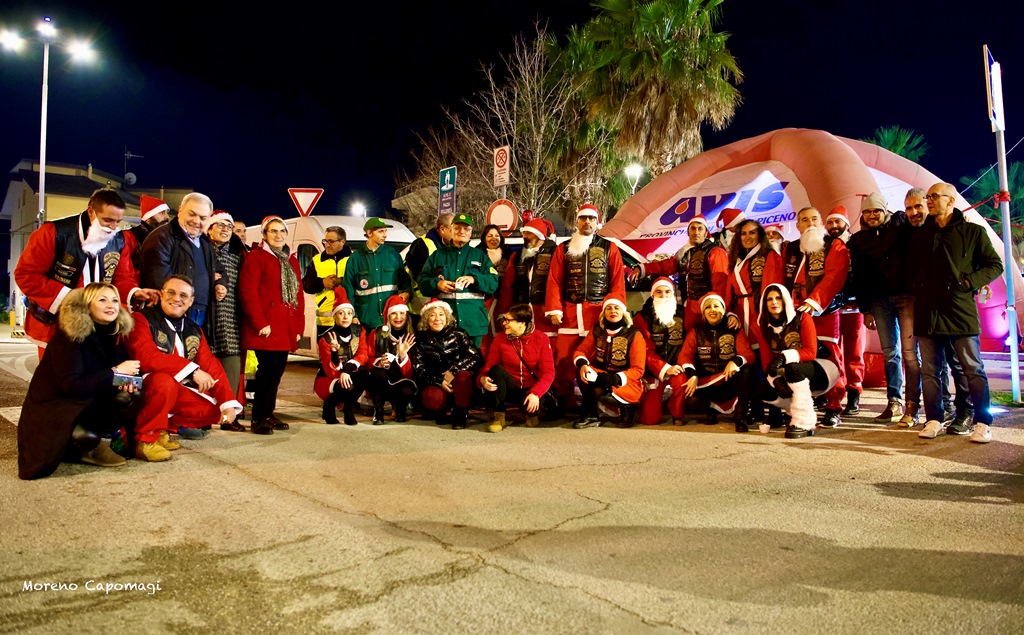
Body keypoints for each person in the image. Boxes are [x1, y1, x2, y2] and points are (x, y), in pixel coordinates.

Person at [907, 183, 1002, 443]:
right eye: (928, 197)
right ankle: (935, 418)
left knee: (972, 368)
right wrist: (918, 287)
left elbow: (994, 264)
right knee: (930, 370)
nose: (929, 201)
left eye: (935, 197)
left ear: (951, 201)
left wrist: (969, 282)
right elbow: (911, 270)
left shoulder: (973, 232)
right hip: (927, 312)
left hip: (960, 311)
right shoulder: (920, 235)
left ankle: (982, 421)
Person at [14, 188, 159, 354]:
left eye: (118, 222)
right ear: (91, 212)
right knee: (56, 378)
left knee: (93, 378)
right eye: (107, 220)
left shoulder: (119, 241)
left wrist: (135, 293)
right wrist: (73, 301)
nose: (113, 228)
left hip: (100, 326)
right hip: (55, 324)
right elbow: (26, 275)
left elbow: (122, 278)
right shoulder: (53, 233)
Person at [18, 283, 141, 479]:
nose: (111, 305)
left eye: (115, 300)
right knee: (85, 436)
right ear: (87, 306)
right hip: (56, 408)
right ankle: (76, 448)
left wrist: (128, 378)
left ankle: (103, 444)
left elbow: (119, 374)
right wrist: (116, 371)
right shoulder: (69, 337)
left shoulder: (112, 333)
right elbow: (71, 386)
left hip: (86, 398)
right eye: (102, 300)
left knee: (132, 391)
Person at [127, 275, 244, 461]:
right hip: (139, 386)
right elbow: (146, 358)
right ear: (161, 294)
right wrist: (193, 371)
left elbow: (211, 366)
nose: (176, 299)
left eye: (183, 295)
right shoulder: (141, 319)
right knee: (164, 382)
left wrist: (227, 404)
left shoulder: (193, 329)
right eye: (171, 292)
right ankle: (146, 439)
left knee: (214, 408)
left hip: (173, 388)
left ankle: (163, 430)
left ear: (190, 302)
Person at [765, 206, 849, 429]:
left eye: (814, 219)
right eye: (804, 220)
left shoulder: (834, 245)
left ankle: (833, 406)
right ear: (798, 225)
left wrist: (814, 301)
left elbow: (834, 276)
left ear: (820, 222)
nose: (810, 223)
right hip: (793, 314)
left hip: (822, 311)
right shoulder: (790, 248)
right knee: (794, 357)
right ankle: (797, 405)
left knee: (830, 356)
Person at [545, 204, 626, 405]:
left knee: (599, 358)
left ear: (597, 222)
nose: (587, 221)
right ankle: (564, 400)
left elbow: (617, 281)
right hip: (570, 312)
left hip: (597, 312)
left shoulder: (610, 248)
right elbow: (554, 280)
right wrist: (554, 308)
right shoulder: (563, 248)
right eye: (583, 218)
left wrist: (617, 309)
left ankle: (600, 399)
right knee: (563, 358)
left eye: (591, 218)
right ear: (577, 221)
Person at [903, 188, 971, 427]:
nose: (915, 212)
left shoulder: (955, 228)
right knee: (929, 361)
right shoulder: (910, 233)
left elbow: (974, 262)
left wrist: (972, 283)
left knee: (957, 362)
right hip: (922, 305)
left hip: (952, 307)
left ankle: (963, 411)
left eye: (920, 205)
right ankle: (936, 412)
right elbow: (910, 268)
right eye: (909, 208)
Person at [848, 191, 916, 423]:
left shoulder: (900, 223)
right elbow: (859, 277)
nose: (871, 215)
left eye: (876, 210)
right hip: (879, 300)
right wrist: (865, 309)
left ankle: (912, 404)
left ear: (884, 210)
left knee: (910, 353)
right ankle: (894, 402)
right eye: (867, 212)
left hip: (905, 296)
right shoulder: (859, 241)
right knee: (890, 353)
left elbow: (921, 225)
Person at [239, 216, 305, 435]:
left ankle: (268, 413)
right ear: (265, 235)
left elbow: (298, 296)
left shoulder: (290, 259)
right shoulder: (256, 257)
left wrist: (298, 327)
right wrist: (260, 322)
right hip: (266, 326)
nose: (278, 236)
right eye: (273, 232)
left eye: (282, 232)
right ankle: (259, 417)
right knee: (267, 371)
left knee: (277, 371)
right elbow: (248, 292)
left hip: (285, 325)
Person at [750, 284, 840, 439]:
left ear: (785, 300)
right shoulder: (763, 326)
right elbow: (767, 363)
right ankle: (793, 410)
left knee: (793, 368)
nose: (774, 302)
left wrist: (784, 356)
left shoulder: (802, 317)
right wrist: (776, 380)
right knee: (762, 389)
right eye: (769, 299)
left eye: (778, 298)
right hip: (789, 373)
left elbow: (811, 352)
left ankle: (804, 421)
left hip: (823, 369)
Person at [139, 192, 222, 346]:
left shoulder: (205, 242)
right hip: (172, 316)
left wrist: (221, 282)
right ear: (180, 210)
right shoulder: (161, 237)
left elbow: (218, 268)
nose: (196, 221)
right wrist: (181, 302)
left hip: (200, 312)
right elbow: (159, 280)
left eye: (203, 218)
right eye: (192, 214)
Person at [631, 213, 728, 329]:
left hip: (708, 309)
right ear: (688, 232)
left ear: (706, 232)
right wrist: (642, 269)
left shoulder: (715, 252)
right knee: (691, 340)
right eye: (693, 228)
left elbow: (721, 286)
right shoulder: (683, 253)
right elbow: (665, 266)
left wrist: (717, 310)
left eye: (700, 228)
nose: (696, 232)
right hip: (689, 308)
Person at [676, 292, 756, 431]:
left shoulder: (734, 329)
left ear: (723, 310)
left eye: (716, 306)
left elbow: (748, 354)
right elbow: (684, 356)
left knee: (746, 371)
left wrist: (735, 361)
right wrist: (692, 374)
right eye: (708, 307)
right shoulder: (696, 330)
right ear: (703, 312)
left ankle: (740, 416)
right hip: (707, 382)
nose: (712, 310)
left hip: (728, 380)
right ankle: (711, 411)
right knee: (691, 400)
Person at [417, 213, 499, 347]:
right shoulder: (437, 256)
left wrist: (474, 279)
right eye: (457, 228)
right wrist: (437, 284)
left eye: (466, 229)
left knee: (472, 364)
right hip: (445, 323)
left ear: (471, 232)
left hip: (473, 322)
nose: (462, 231)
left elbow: (493, 282)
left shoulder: (480, 256)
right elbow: (422, 281)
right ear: (451, 230)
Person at [478, 303, 556, 432]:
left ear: (522, 323)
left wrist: (535, 393)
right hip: (511, 387)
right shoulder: (500, 339)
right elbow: (490, 365)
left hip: (531, 389)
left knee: (529, 408)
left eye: (509, 320)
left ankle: (531, 414)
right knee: (496, 370)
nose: (504, 323)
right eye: (504, 319)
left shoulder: (541, 338)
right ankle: (499, 416)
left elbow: (548, 373)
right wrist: (482, 379)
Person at [572, 295, 646, 429]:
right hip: (602, 374)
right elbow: (581, 352)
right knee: (582, 372)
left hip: (627, 381)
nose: (613, 311)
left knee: (597, 389)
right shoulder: (597, 330)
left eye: (617, 308)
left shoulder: (634, 334)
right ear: (603, 313)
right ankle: (591, 415)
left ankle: (629, 407)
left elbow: (638, 370)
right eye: (609, 308)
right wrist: (583, 364)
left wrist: (611, 378)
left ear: (623, 312)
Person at [411, 298, 483, 429]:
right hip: (436, 380)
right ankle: (441, 410)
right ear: (426, 319)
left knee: (463, 376)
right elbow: (419, 368)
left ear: (447, 317)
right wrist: (439, 381)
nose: (437, 319)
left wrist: (454, 370)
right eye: (432, 315)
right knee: (432, 398)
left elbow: (475, 357)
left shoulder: (459, 333)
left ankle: (461, 413)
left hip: (458, 378)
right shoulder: (421, 339)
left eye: (441, 314)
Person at [825, 205, 865, 417]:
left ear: (846, 224)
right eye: (830, 222)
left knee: (854, 351)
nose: (833, 226)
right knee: (833, 352)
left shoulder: (856, 244)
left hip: (854, 306)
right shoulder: (824, 247)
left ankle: (854, 393)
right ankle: (833, 394)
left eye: (837, 222)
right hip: (831, 308)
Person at [632, 277, 688, 426]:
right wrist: (664, 368)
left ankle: (677, 414)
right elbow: (644, 349)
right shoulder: (642, 317)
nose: (663, 296)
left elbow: (693, 340)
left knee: (681, 382)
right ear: (652, 295)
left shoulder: (684, 313)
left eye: (667, 292)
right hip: (654, 370)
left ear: (673, 294)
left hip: (677, 367)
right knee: (649, 420)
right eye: (659, 292)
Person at [204, 210, 247, 400]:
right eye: (220, 225)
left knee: (231, 362)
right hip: (205, 315)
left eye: (229, 226)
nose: (225, 230)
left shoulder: (238, 255)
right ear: (209, 228)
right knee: (204, 361)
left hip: (230, 317)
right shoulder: (201, 251)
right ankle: (204, 410)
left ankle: (229, 409)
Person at [342, 218, 411, 331]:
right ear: (369, 233)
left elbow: (404, 279)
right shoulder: (355, 258)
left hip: (391, 318)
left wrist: (407, 292)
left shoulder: (392, 255)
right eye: (381, 231)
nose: (385, 235)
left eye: (385, 231)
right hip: (367, 319)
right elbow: (348, 288)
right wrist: (353, 315)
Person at [495, 218, 558, 340]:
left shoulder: (554, 252)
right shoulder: (517, 256)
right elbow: (507, 286)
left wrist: (555, 309)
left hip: (544, 311)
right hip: (522, 310)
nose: (524, 236)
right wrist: (504, 311)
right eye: (524, 232)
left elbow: (557, 281)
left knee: (548, 344)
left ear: (539, 235)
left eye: (528, 233)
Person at [359, 295, 417, 424]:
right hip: (381, 381)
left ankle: (400, 409)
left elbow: (410, 373)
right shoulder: (377, 334)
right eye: (394, 314)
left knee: (407, 390)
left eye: (402, 313)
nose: (398, 317)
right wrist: (379, 362)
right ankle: (378, 411)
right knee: (379, 374)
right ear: (388, 316)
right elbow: (366, 360)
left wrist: (403, 356)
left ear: (407, 315)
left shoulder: (412, 336)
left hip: (401, 380)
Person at [724, 219, 782, 342]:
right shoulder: (736, 259)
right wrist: (729, 312)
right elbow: (729, 292)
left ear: (760, 235)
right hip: (739, 313)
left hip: (759, 312)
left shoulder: (770, 256)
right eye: (743, 234)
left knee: (764, 349)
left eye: (752, 233)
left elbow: (771, 289)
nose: (747, 237)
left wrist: (768, 314)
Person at [315, 293, 368, 426]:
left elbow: (363, 354)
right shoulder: (326, 338)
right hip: (327, 379)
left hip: (348, 373)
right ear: (334, 315)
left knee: (363, 374)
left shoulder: (359, 331)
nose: (346, 317)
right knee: (347, 386)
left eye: (349, 313)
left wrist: (347, 369)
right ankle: (329, 405)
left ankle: (347, 409)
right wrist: (334, 353)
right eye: (341, 313)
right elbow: (330, 370)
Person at [302, 225, 350, 337]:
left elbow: (361, 282)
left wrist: (341, 281)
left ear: (342, 242)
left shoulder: (353, 259)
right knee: (325, 353)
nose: (327, 245)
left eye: (331, 241)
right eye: (325, 241)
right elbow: (306, 284)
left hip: (348, 319)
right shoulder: (317, 260)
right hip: (324, 321)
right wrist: (322, 282)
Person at [405, 212, 454, 319]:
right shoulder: (422, 245)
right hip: (422, 306)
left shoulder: (450, 247)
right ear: (442, 229)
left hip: (441, 309)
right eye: (454, 228)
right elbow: (419, 274)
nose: (458, 232)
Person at [478, 223, 513, 342]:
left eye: (497, 235)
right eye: (489, 236)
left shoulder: (509, 254)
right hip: (484, 301)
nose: (494, 238)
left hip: (505, 301)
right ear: (484, 238)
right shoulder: (477, 255)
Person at [122, 194, 170, 271]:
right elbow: (125, 270)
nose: (167, 217)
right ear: (148, 218)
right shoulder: (131, 237)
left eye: (167, 212)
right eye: (162, 212)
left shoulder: (168, 239)